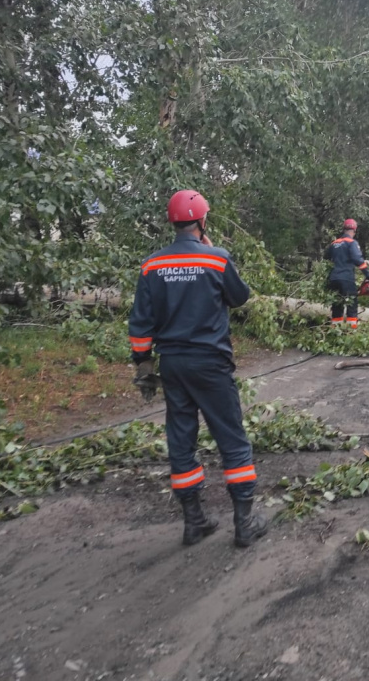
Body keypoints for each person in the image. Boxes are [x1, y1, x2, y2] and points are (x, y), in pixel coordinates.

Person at [128, 189, 268, 548]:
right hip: (210, 364)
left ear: (171, 222)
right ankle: (244, 523)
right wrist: (213, 251)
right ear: (202, 220)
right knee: (232, 440)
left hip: (173, 366)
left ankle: (194, 521)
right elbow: (241, 298)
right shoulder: (217, 260)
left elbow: (140, 324)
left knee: (181, 440)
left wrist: (144, 365)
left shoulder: (151, 265)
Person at [323, 218, 369, 327]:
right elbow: (358, 260)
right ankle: (352, 331)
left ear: (344, 229)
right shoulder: (352, 243)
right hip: (346, 278)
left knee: (337, 305)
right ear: (354, 230)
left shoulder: (334, 243)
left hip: (333, 279)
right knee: (352, 304)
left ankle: (335, 330)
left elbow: (326, 258)